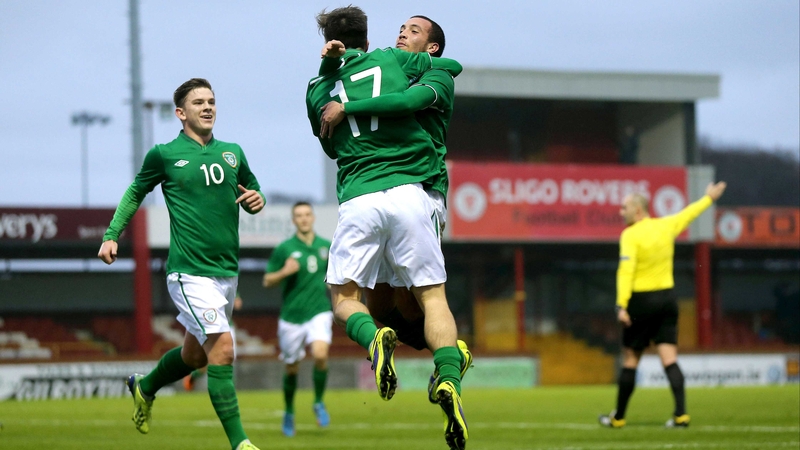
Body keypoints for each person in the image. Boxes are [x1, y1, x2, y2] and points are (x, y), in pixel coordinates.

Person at [306, 6, 468, 450]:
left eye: (413, 30)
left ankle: (433, 358)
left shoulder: (319, 89)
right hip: (407, 194)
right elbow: (445, 67)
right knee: (401, 301)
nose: (403, 33)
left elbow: (327, 137)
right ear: (366, 34)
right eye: (400, 27)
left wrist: (338, 89)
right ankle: (450, 364)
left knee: (358, 299)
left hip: (397, 189)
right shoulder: (394, 62)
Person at [98, 78, 264, 450]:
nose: (208, 107)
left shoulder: (232, 152)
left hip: (226, 272)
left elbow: (253, 190)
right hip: (189, 272)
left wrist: (257, 200)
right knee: (222, 349)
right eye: (198, 103)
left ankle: (145, 386)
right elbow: (135, 191)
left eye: (212, 101)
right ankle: (241, 443)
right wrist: (112, 234)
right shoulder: (165, 154)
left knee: (193, 355)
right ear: (180, 113)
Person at [599, 181, 727, 429]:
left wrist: (620, 305)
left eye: (624, 207)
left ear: (637, 210)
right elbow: (689, 214)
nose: (620, 212)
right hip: (667, 300)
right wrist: (709, 198)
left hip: (641, 301)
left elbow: (626, 270)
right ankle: (681, 415)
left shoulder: (630, 234)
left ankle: (619, 417)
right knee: (669, 358)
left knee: (631, 359)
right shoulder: (666, 226)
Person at [263, 202, 333, 437]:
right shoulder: (285, 248)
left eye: (306, 215)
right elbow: (267, 281)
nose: (303, 219)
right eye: (298, 216)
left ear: (312, 217)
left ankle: (318, 401)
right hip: (291, 317)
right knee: (292, 368)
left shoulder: (326, 247)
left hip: (319, 310)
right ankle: (290, 411)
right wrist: (284, 272)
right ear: (293, 221)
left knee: (321, 354)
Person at [183, 292, 243, 392]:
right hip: (211, 323)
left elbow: (238, 304)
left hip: (227, 325)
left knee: (229, 358)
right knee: (211, 358)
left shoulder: (227, 282)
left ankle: (228, 389)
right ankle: (195, 375)